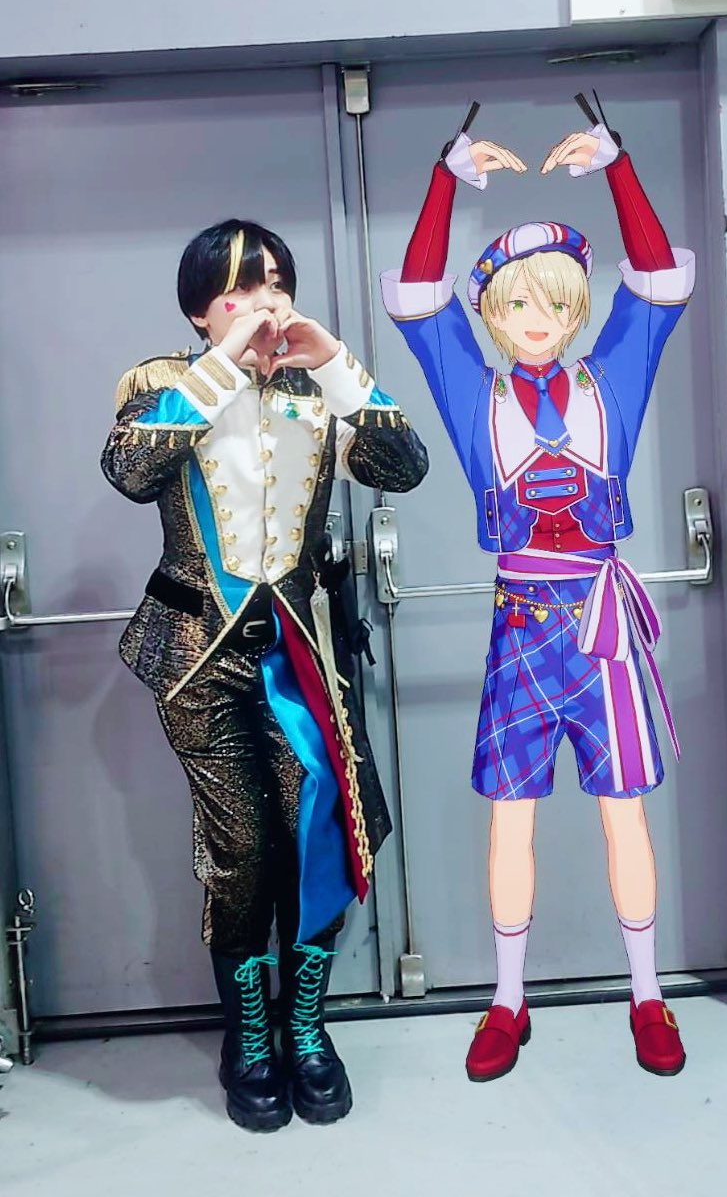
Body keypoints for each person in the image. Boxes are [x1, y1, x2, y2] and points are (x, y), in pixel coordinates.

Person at [380, 96, 694, 1082]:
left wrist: (618, 166)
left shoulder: (613, 377)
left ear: (575, 309)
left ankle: (645, 994)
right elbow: (414, 297)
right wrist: (443, 180)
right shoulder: (470, 390)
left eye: (554, 305)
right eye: (516, 305)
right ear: (490, 313)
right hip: (518, 626)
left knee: (622, 813)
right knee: (507, 818)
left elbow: (659, 281)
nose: (536, 323)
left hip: (601, 628)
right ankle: (506, 1001)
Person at [102, 219, 428, 1131]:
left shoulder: (316, 390)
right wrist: (220, 370)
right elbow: (129, 472)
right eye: (240, 288)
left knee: (318, 830)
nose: (264, 301)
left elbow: (404, 468)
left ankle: (305, 1028)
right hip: (195, 656)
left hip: (301, 651)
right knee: (242, 850)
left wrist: (339, 364)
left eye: (276, 281)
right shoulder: (165, 386)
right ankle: (249, 1036)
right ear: (199, 310)